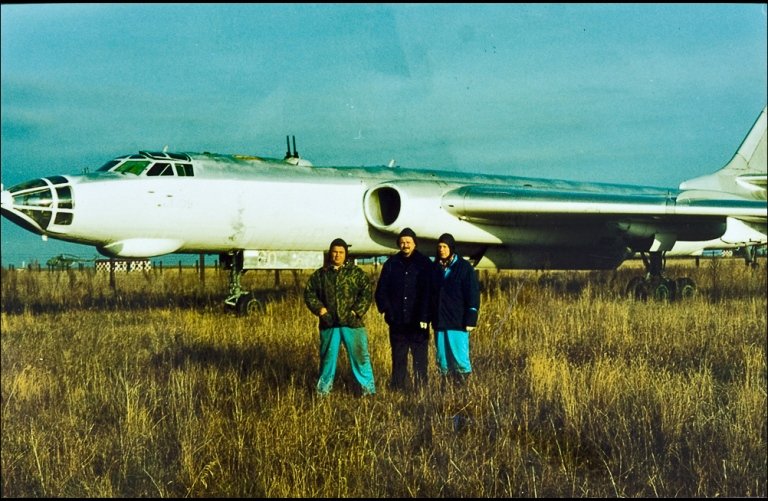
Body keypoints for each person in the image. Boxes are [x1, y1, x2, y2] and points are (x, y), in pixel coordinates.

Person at [304, 238, 376, 396]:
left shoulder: (356, 273)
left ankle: (368, 391)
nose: (337, 255)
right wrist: (321, 310)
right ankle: (323, 392)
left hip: (352, 324)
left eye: (341, 252)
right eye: (334, 252)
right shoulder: (321, 275)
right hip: (329, 324)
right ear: (330, 253)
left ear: (346, 254)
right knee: (327, 360)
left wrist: (356, 312)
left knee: (360, 358)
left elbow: (366, 292)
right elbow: (309, 293)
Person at [374, 227, 433, 392]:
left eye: (408, 242)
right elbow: (381, 291)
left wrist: (425, 316)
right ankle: (398, 389)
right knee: (398, 359)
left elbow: (429, 292)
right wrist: (387, 311)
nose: (405, 245)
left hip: (418, 322)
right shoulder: (391, 264)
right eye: (402, 242)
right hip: (397, 321)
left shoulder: (424, 263)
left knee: (420, 360)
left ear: (415, 244)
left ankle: (421, 390)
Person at [429, 233, 480, 387]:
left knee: (460, 358)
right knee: (442, 360)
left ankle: (463, 390)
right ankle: (446, 390)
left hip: (457, 322)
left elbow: (472, 293)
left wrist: (471, 317)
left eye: (445, 247)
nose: (442, 250)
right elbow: (429, 294)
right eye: (439, 247)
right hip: (439, 321)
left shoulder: (464, 268)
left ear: (451, 248)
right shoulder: (435, 268)